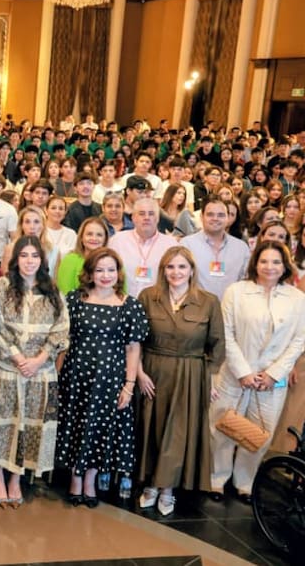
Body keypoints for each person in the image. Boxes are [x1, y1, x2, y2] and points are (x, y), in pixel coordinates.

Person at [0, 236, 69, 508]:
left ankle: (17, 478)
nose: (29, 261)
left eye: (34, 256)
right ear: (16, 259)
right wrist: (16, 356)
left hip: (39, 373)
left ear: (42, 260)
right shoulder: (1, 287)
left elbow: (61, 329)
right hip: (6, 369)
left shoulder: (52, 291)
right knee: (2, 424)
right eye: (24, 255)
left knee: (28, 426)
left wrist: (39, 359)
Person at [210, 241, 305, 503]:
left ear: (285, 265)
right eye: (264, 261)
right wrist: (243, 371)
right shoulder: (236, 291)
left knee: (259, 433)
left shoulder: (298, 299)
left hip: (271, 381)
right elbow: (225, 333)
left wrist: (274, 373)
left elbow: (299, 340)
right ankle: (216, 479)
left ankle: (245, 482)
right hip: (235, 374)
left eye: (276, 262)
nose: (270, 267)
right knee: (222, 427)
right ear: (255, 263)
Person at [134, 247, 224, 516]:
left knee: (178, 433)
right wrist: (139, 373)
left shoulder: (208, 301)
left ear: (192, 270)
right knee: (152, 428)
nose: (176, 272)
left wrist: (211, 382)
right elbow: (135, 340)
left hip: (190, 373)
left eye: (181, 267)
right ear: (163, 270)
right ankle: (150, 484)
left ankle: (167, 489)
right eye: (170, 267)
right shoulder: (148, 297)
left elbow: (217, 346)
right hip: (153, 370)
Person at [57, 247, 147, 509]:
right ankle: (75, 478)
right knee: (77, 427)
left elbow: (133, 348)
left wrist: (129, 386)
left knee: (101, 430)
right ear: (90, 273)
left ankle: (91, 481)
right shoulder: (74, 299)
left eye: (110, 270)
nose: (105, 275)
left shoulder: (130, 304)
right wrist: (59, 377)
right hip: (77, 377)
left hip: (110, 381)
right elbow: (65, 340)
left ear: (118, 273)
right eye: (99, 270)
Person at [180, 198, 250, 300]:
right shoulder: (187, 245)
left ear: (227, 218)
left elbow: (246, 281)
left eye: (221, 215)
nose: (215, 218)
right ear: (201, 217)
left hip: (231, 309)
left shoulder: (241, 248)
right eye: (210, 214)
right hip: (196, 309)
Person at [108, 197, 178, 296]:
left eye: (151, 214)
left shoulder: (171, 245)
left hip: (157, 304)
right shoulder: (117, 241)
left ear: (157, 218)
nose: (146, 217)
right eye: (141, 214)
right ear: (133, 218)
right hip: (122, 302)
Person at [56, 217, 109, 294]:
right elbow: (65, 294)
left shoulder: (112, 261)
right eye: (89, 234)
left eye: (99, 235)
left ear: (105, 239)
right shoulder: (70, 260)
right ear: (81, 237)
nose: (94, 238)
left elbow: (121, 292)